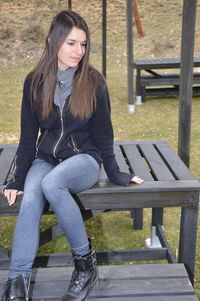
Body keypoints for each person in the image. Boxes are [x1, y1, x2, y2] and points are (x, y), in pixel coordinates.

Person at [1, 10, 144, 301]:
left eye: (83, 44)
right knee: (31, 195)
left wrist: (116, 173)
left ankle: (84, 265)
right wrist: (16, 179)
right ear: (53, 41)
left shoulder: (94, 81)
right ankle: (17, 282)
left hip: (85, 160)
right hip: (47, 158)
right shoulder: (35, 82)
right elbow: (29, 139)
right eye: (71, 43)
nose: (79, 51)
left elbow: (105, 134)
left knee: (52, 184)